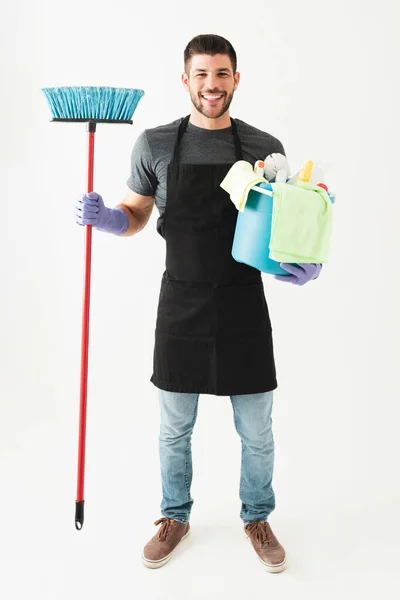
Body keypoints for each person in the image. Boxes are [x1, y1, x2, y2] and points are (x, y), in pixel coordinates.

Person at [75, 34, 322, 573]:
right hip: (180, 306)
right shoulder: (156, 144)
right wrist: (108, 218)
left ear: (237, 79)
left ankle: (257, 516)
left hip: (244, 307)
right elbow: (136, 213)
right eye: (203, 74)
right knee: (173, 429)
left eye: (223, 74)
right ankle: (174, 517)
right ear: (185, 80)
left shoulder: (264, 147)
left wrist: (304, 264)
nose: (213, 85)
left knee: (257, 431)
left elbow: (283, 228)